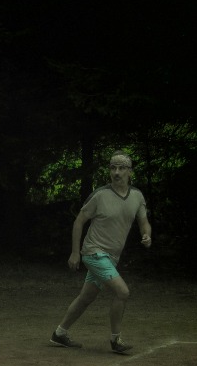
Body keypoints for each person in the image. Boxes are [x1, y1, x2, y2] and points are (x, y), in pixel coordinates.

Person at [50, 151, 152, 354]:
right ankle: (115, 340)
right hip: (94, 253)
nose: (116, 172)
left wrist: (147, 235)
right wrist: (75, 253)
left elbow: (144, 222)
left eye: (121, 168)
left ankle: (59, 333)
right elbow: (79, 222)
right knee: (123, 292)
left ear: (130, 172)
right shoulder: (100, 195)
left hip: (111, 258)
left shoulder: (137, 196)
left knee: (86, 297)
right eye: (113, 168)